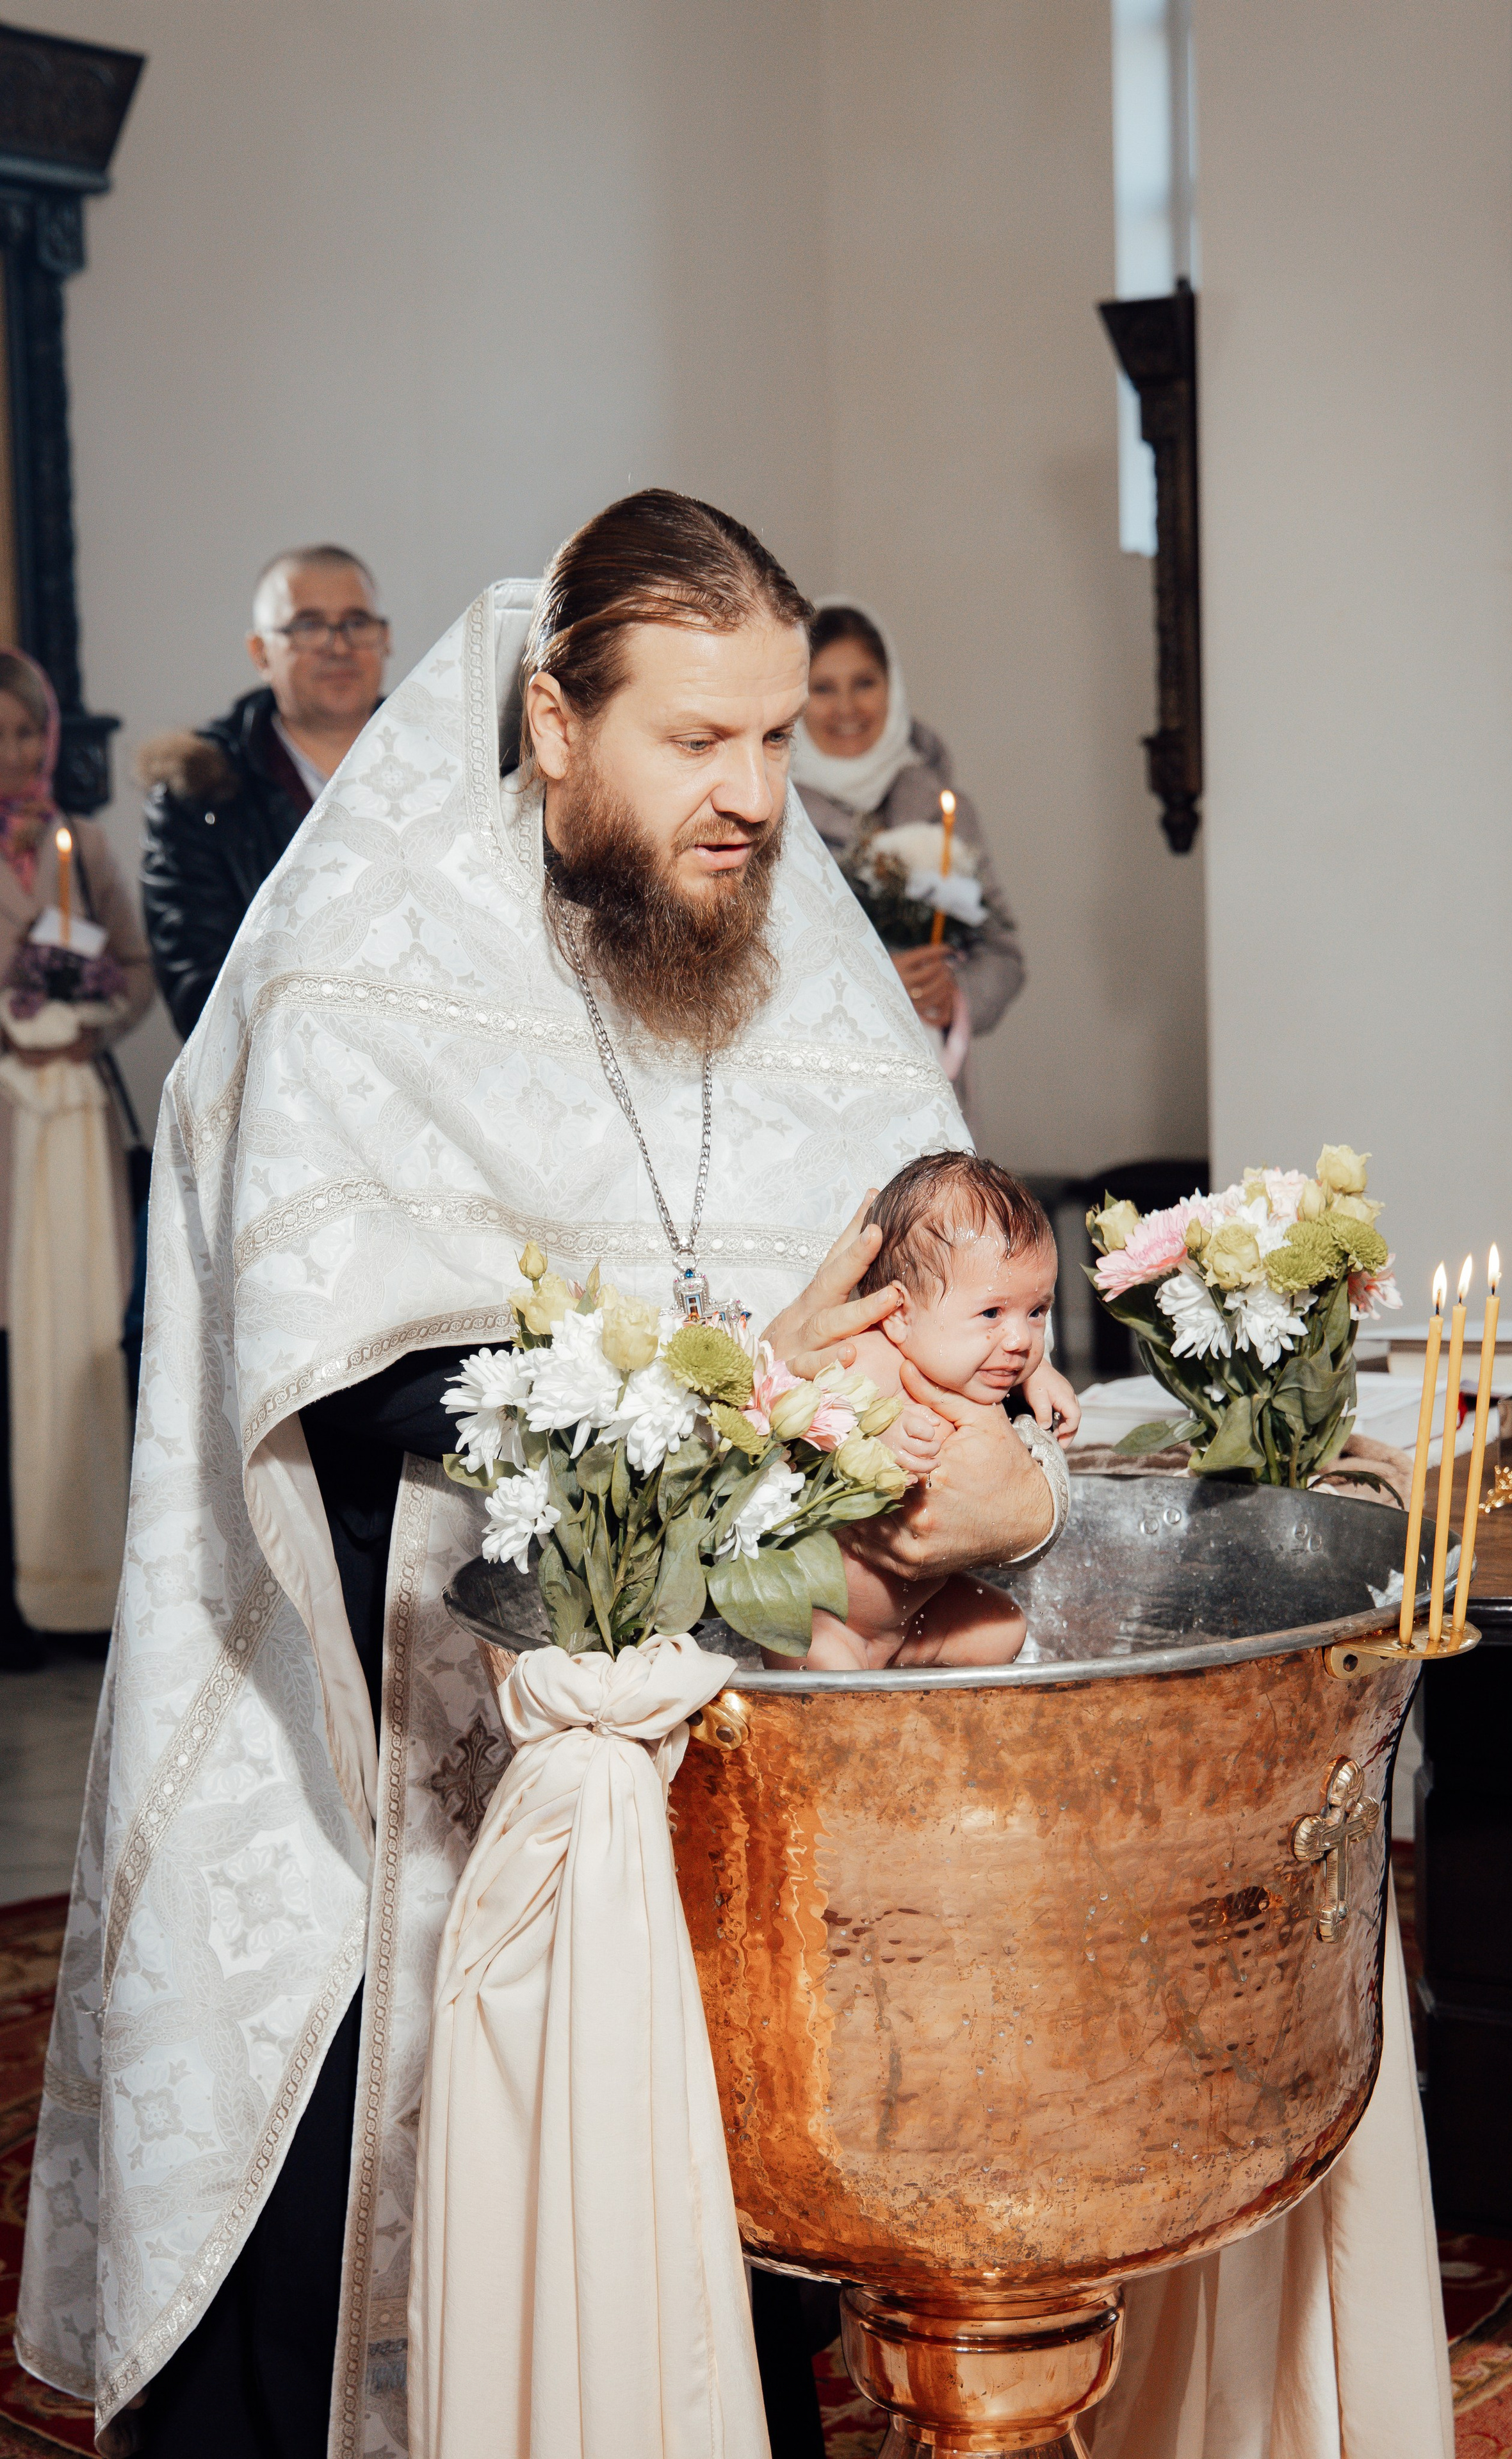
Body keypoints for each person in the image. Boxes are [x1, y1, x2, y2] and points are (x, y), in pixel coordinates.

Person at [19, 492, 1068, 2459]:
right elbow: (356, 1374)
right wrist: (742, 1377)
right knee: (353, 2258)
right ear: (555, 717)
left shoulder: (799, 958)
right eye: (697, 739)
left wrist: (1001, 1453)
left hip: (725, 1748)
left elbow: (936, 1286)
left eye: (772, 736)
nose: (755, 793)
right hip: (408, 1721)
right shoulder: (366, 957)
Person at [0, 651, 152, 1668]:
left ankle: (88, 1585)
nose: (14, 753)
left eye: (25, 733)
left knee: (84, 1338)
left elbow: (135, 966)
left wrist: (93, 1018)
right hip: (10, 1119)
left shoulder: (81, 842)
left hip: (77, 1120)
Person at [804, 1151, 1059, 1671]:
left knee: (1004, 1625)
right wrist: (879, 1433)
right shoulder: (873, 1357)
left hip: (917, 1618)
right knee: (824, 1665)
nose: (1018, 1340)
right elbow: (808, 1414)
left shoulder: (976, 1369)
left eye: (1038, 1312)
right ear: (899, 1315)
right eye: (992, 1312)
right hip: (834, 1620)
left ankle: (927, 1704)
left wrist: (1043, 1372)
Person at [138, 544, 390, 1039]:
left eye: (357, 622)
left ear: (386, 638)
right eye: (308, 625)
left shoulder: (452, 766)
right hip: (276, 1090)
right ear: (260, 653)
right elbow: (198, 991)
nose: (339, 646)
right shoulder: (199, 794)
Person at [789, 599, 1023, 1113]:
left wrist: (954, 994)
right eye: (822, 687)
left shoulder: (942, 807)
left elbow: (1001, 953)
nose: (846, 707)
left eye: (864, 683)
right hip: (816, 1098)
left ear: (892, 686)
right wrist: (874, 978)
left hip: (931, 1099)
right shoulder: (769, 813)